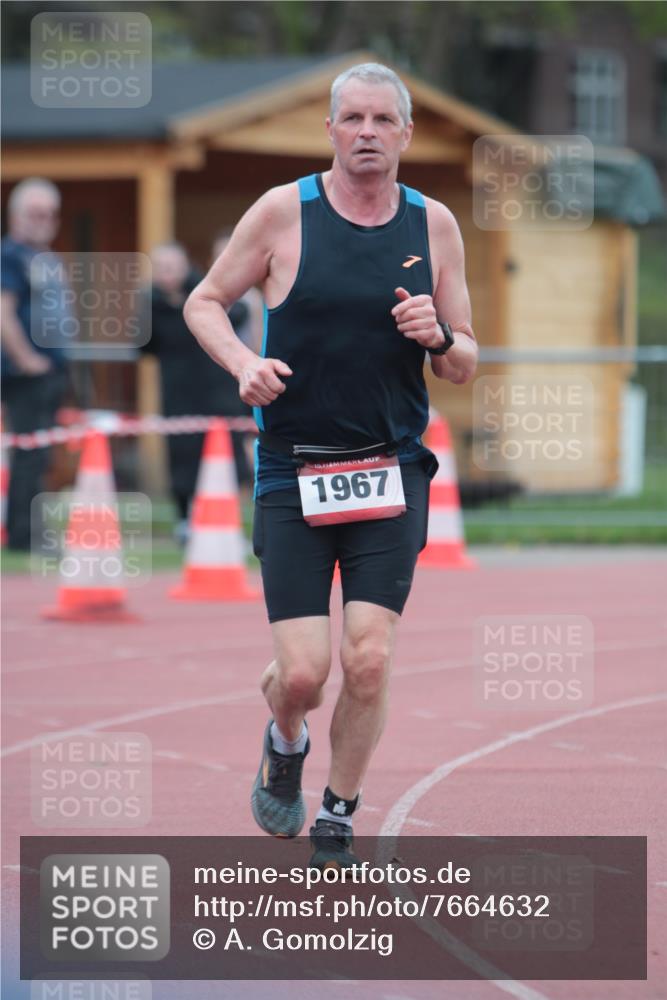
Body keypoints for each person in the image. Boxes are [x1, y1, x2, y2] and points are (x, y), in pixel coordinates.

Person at [184, 62, 478, 869]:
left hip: (390, 469)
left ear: (406, 133)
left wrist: (440, 338)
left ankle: (340, 809)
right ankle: (285, 736)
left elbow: (465, 361)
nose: (367, 134)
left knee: (369, 657)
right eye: (352, 119)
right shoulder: (283, 213)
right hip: (292, 468)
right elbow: (202, 300)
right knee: (307, 673)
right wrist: (243, 362)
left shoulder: (434, 225)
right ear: (330, 130)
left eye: (383, 121)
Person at [140, 243, 253, 543]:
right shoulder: (151, 305)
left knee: (227, 458)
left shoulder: (206, 292)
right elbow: (142, 345)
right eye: (161, 268)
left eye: (172, 267)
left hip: (219, 390)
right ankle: (184, 520)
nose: (167, 275)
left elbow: (239, 313)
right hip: (177, 393)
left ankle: (230, 523)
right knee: (181, 457)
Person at [1, 178, 71, 551]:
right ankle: (24, 536)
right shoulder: (10, 255)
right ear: (16, 216)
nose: (42, 220)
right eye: (34, 213)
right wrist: (26, 359)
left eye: (48, 214)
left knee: (41, 455)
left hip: (51, 371)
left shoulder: (45, 258)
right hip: (26, 374)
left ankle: (28, 531)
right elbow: (3, 311)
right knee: (30, 453)